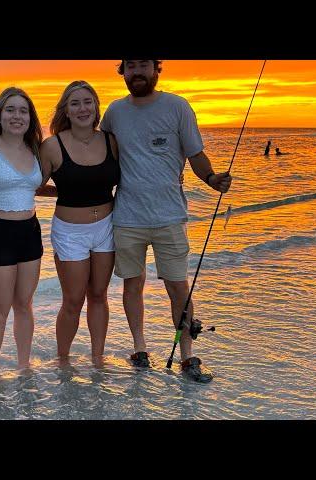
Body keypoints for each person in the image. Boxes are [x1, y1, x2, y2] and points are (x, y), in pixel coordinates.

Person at [100, 60, 232, 382]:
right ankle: (140, 349)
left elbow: (195, 154)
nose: (137, 72)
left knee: (178, 287)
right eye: (130, 66)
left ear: (157, 69)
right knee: (133, 284)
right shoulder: (114, 112)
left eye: (143, 64)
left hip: (169, 217)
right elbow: (101, 155)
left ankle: (188, 356)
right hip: (127, 217)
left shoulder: (177, 107)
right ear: (123, 71)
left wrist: (212, 178)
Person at [38, 81, 120, 367]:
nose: (82, 108)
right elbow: (33, 184)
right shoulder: (52, 146)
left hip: (107, 228)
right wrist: (67, 191)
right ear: (66, 111)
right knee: (73, 300)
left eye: (88, 102)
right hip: (70, 232)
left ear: (97, 107)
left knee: (99, 295)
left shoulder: (110, 141)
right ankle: (63, 360)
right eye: (75, 103)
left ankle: (98, 358)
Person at [0, 87, 44, 380]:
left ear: (31, 118)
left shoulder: (35, 149)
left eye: (23, 111)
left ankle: (24, 367)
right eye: (11, 110)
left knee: (25, 305)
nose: (17, 116)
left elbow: (35, 187)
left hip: (29, 231)